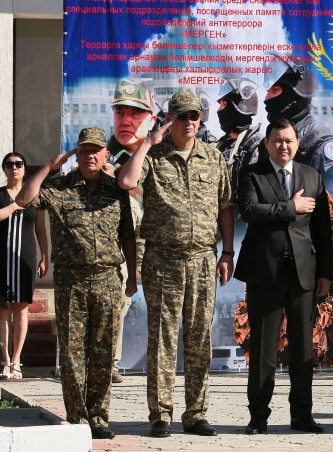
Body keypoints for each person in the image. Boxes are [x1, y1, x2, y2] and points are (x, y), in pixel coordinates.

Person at [118, 90, 234, 438]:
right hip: (163, 261)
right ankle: (161, 413)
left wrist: (228, 252)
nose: (188, 122)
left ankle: (196, 413)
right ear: (169, 120)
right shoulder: (154, 156)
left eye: (193, 116)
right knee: (163, 339)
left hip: (203, 260)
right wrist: (147, 142)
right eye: (181, 116)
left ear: (200, 119)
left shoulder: (213, 158)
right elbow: (126, 181)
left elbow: (225, 206)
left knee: (199, 339)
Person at [15, 127, 136, 440]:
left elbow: (127, 235)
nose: (90, 155)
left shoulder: (116, 190)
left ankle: (99, 417)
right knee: (72, 353)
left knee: (103, 353)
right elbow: (23, 199)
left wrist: (133, 276)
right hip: (72, 280)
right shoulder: (59, 188)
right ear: (76, 154)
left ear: (106, 154)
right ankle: (78, 417)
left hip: (108, 278)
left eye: (96, 150)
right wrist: (49, 167)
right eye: (84, 150)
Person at [234, 118, 333, 435]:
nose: (283, 146)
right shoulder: (252, 174)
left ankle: (302, 415)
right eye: (277, 140)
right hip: (266, 272)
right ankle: (258, 417)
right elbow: (250, 211)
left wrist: (326, 272)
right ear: (267, 144)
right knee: (264, 349)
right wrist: (291, 206)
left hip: (303, 274)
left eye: (289, 140)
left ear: (298, 143)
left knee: (303, 349)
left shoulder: (312, 175)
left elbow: (322, 229)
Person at [107, 78, 154, 382]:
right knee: (118, 301)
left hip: (158, 240)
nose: (125, 121)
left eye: (135, 113)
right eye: (120, 113)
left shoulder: (160, 155)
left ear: (151, 118)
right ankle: (109, 362)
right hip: (122, 242)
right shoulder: (102, 156)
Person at [0, 152, 49, 380]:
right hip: (1, 257)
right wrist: (16, 205)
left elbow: (41, 230)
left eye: (18, 164)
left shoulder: (35, 195)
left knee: (21, 309)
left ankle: (16, 360)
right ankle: (4, 360)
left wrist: (44, 256)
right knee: (2, 310)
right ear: (4, 169)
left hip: (25, 258)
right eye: (9, 164)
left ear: (24, 168)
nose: (14, 167)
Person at [263, 52, 333, 197]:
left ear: (294, 94)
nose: (266, 98)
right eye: (268, 91)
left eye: (275, 90)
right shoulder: (268, 143)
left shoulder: (322, 146)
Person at [215, 78, 264, 201]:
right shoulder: (221, 145)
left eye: (223, 104)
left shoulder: (258, 145)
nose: (219, 110)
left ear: (237, 108)